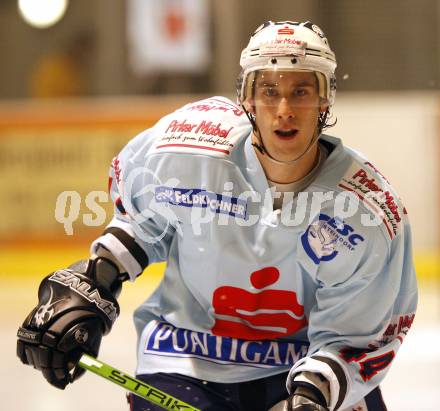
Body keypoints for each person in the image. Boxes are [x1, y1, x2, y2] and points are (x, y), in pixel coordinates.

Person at [17, 20, 417, 411]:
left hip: (301, 361)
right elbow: (142, 225)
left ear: (325, 100)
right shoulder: (189, 147)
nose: (283, 109)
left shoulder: (366, 213)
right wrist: (96, 279)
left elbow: (355, 338)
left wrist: (312, 398)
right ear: (246, 98)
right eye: (269, 90)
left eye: (301, 92)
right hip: (185, 355)